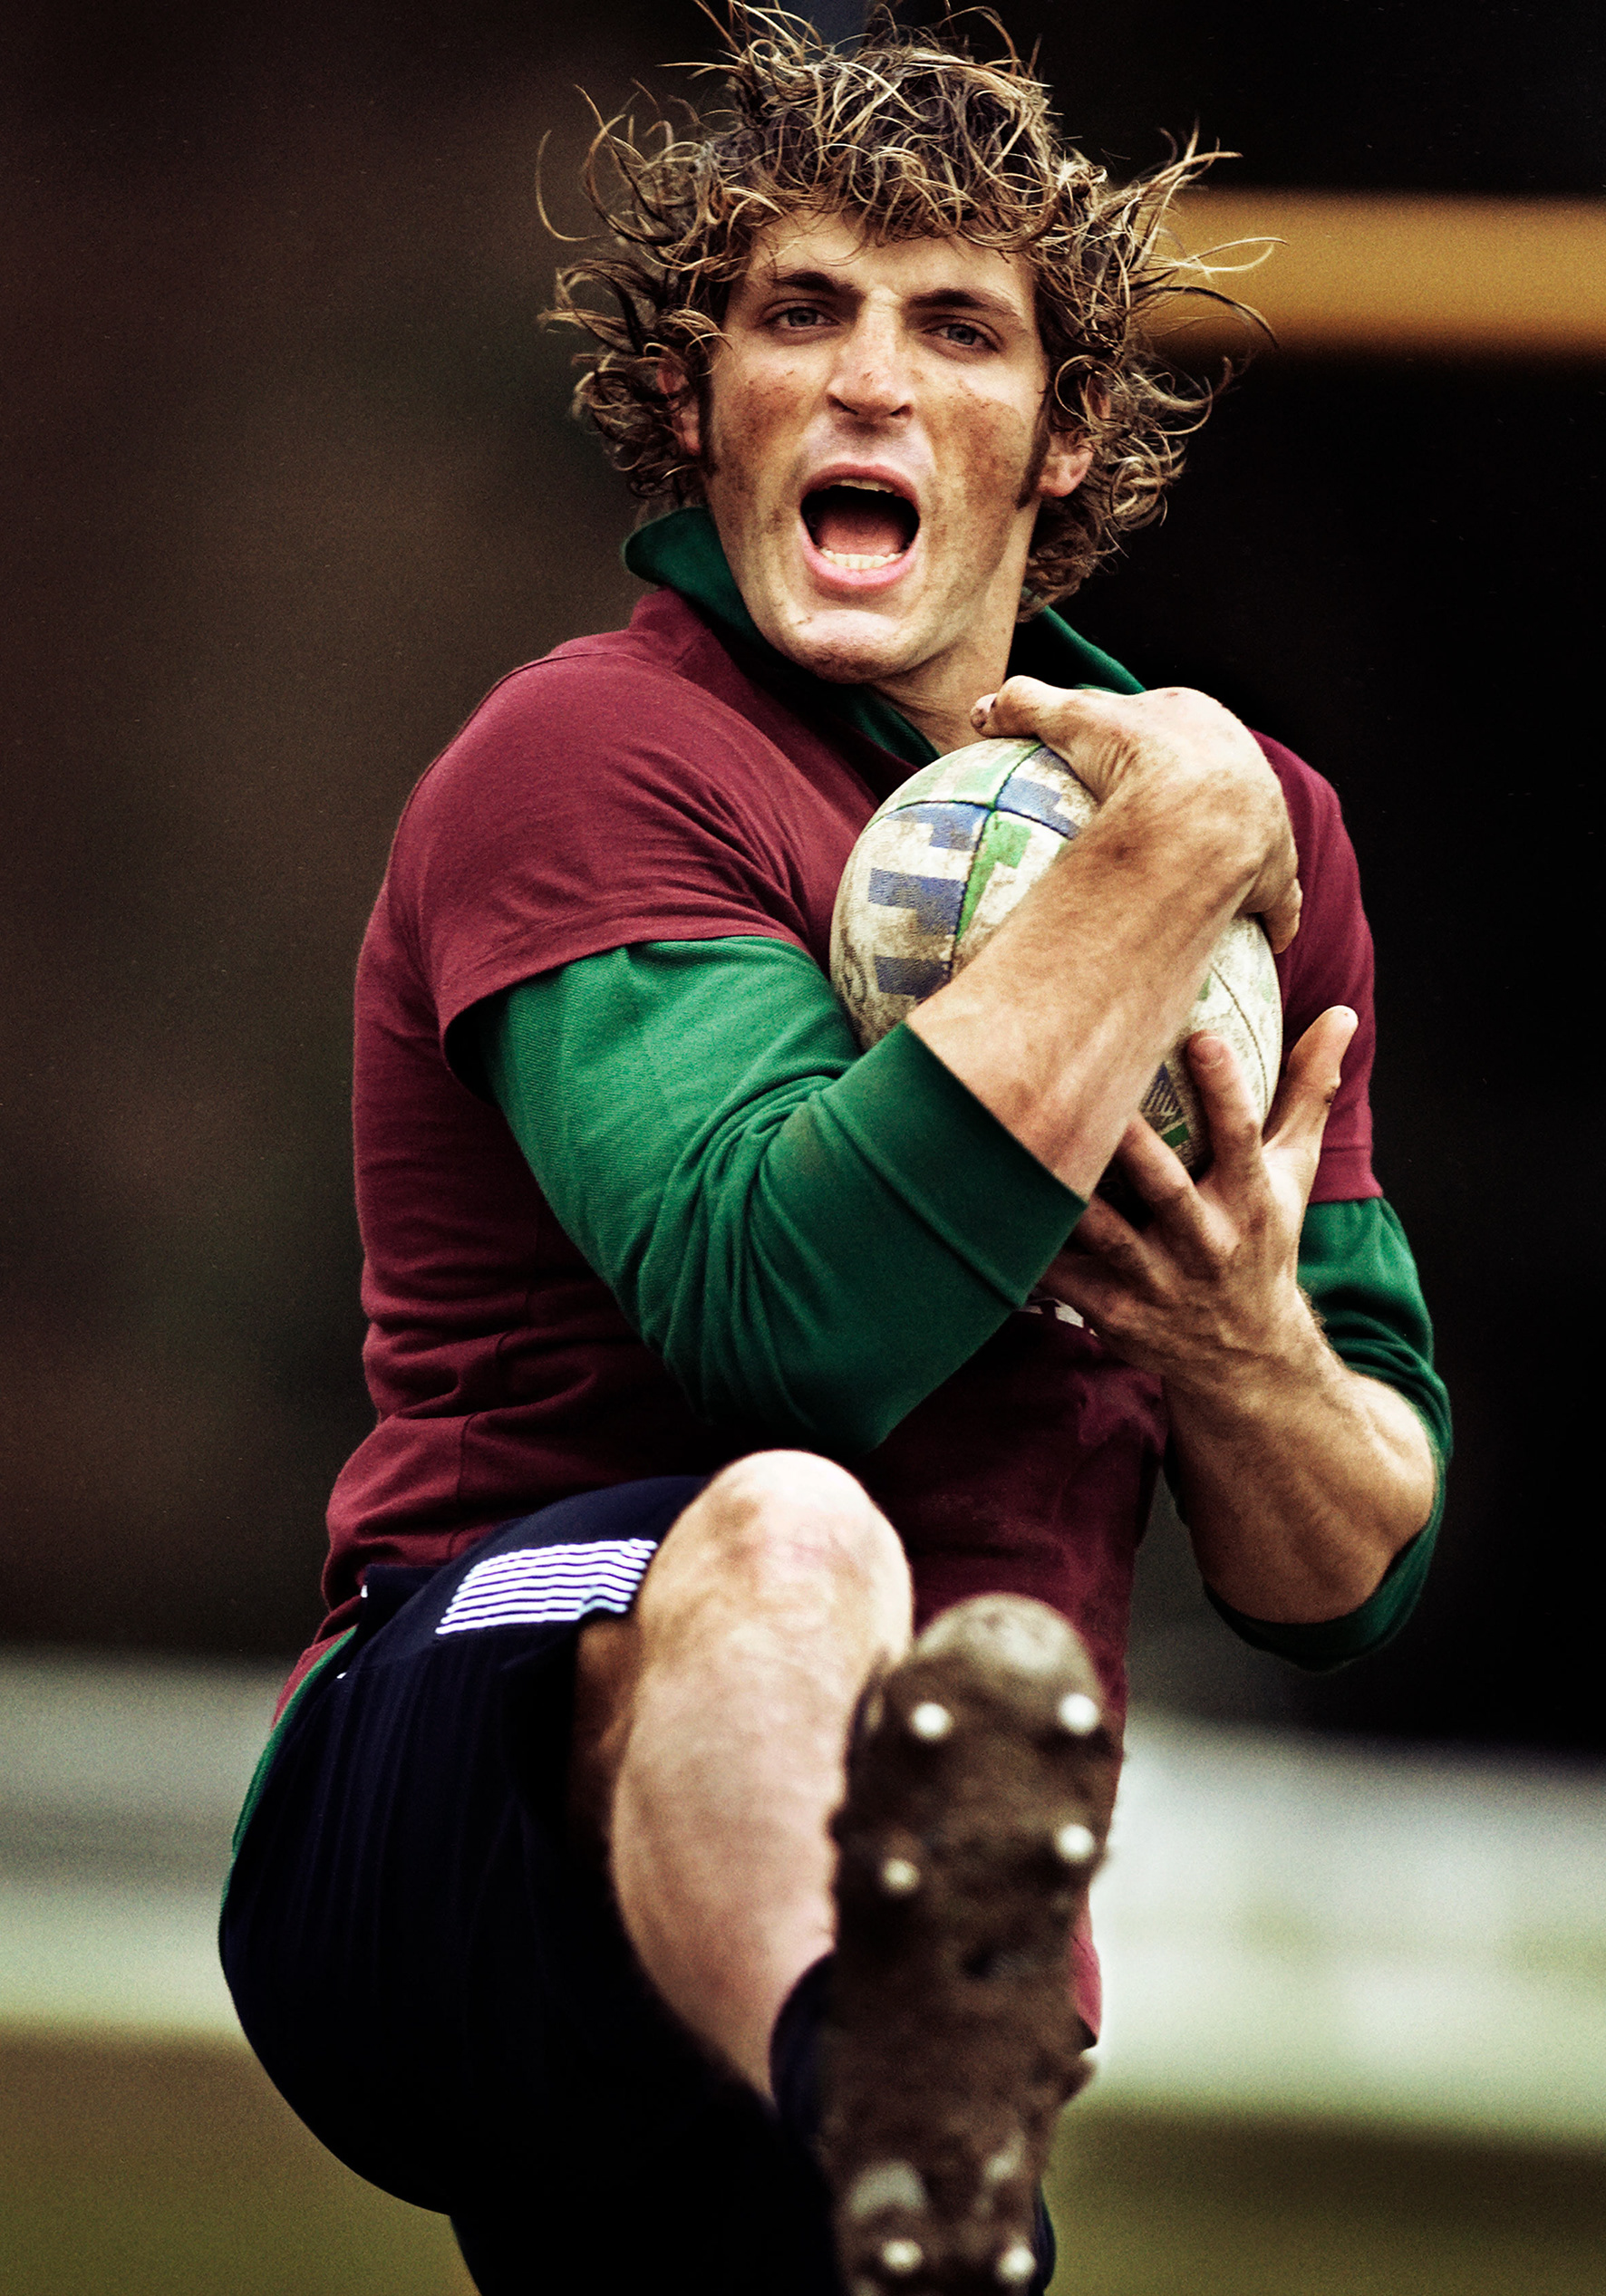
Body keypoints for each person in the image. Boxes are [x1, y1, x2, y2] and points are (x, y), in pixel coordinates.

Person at [220, 13, 1450, 2293]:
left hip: (883, 1980)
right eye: (802, 312)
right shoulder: (591, 756)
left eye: (957, 328)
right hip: (455, 1793)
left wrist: (1242, 1348)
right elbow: (779, 1318)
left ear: (1064, 435)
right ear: (699, 404)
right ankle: (872, 2073)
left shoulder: (1256, 840)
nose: (872, 380)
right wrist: (1157, 860)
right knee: (793, 1525)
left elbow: (1348, 1561)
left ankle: (900, 2147)